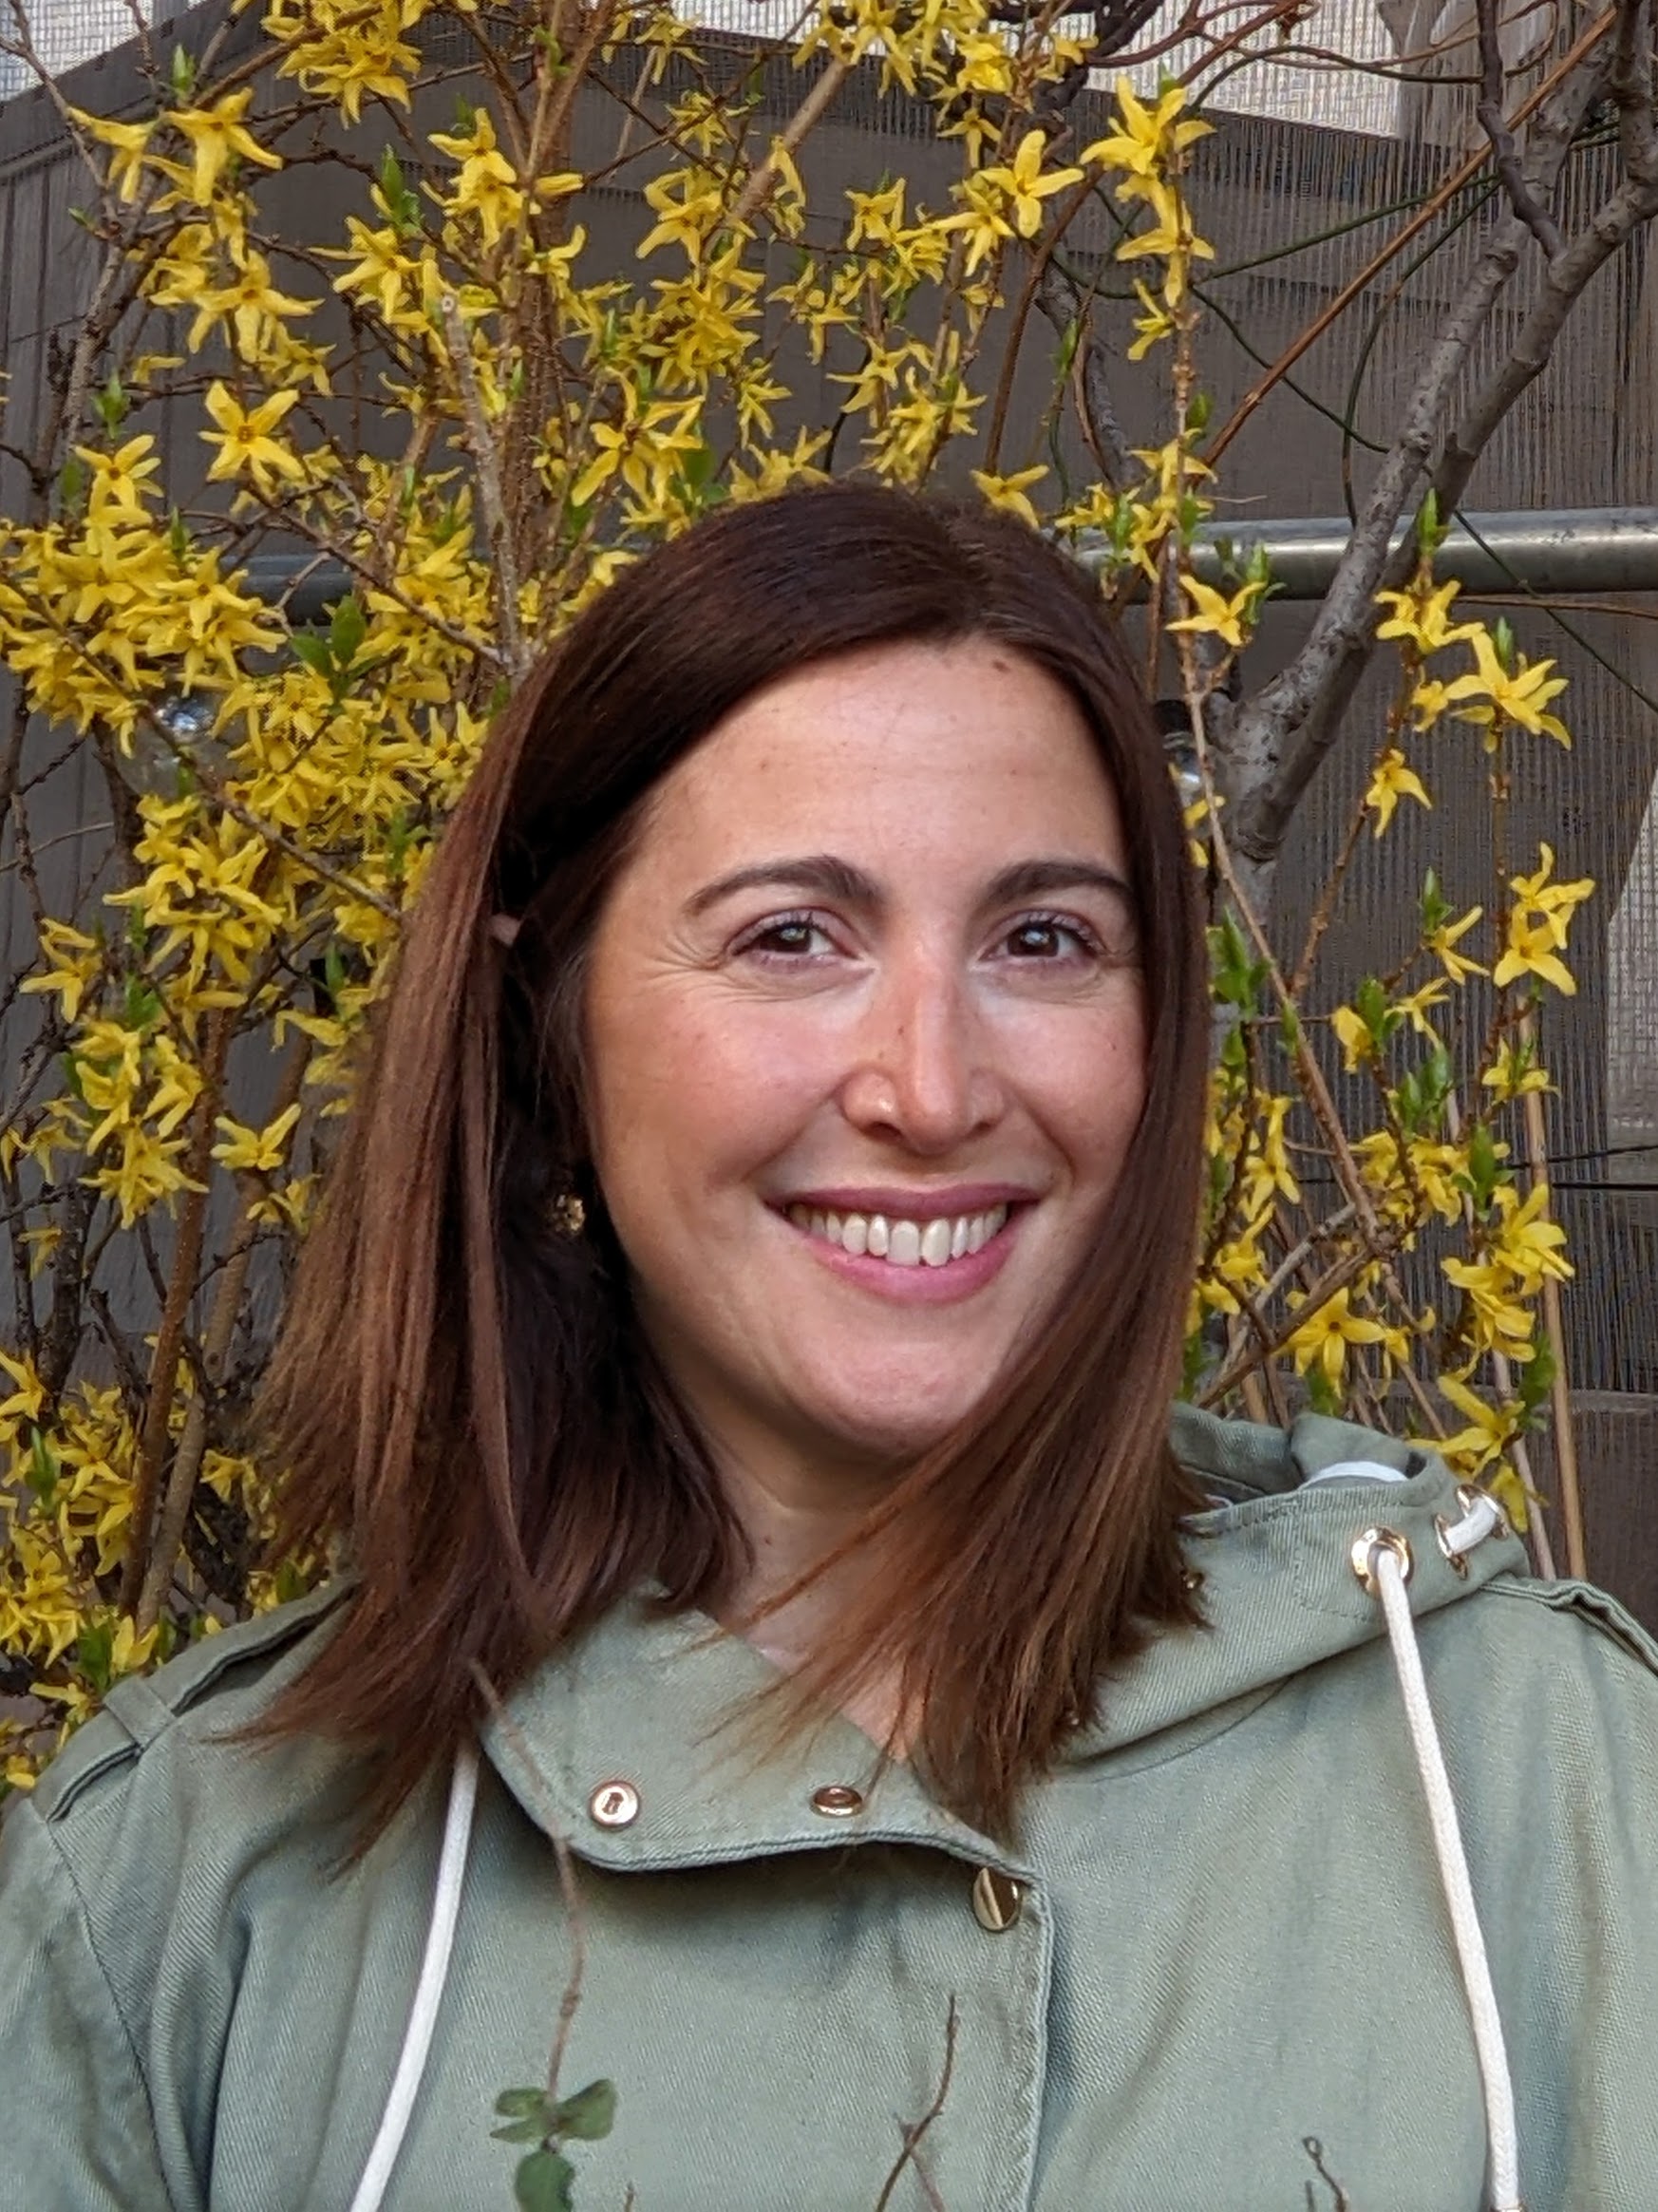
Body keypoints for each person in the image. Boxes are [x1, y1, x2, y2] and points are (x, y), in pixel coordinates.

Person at [2, 484, 1655, 2212]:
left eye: (1042, 939)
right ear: (545, 1031)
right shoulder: (190, 1898)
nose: (929, 1089)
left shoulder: (1549, 1792)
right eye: (792, 936)